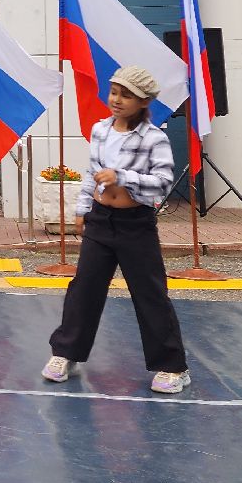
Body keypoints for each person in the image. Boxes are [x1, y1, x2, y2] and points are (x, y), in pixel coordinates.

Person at [43, 65, 190, 395]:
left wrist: (122, 177)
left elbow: (164, 182)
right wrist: (82, 209)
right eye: (114, 92)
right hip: (99, 221)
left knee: (149, 293)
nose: (117, 100)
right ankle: (66, 353)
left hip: (135, 225)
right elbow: (91, 172)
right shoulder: (100, 130)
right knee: (84, 288)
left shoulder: (155, 138)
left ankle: (173, 367)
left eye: (126, 95)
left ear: (143, 101)